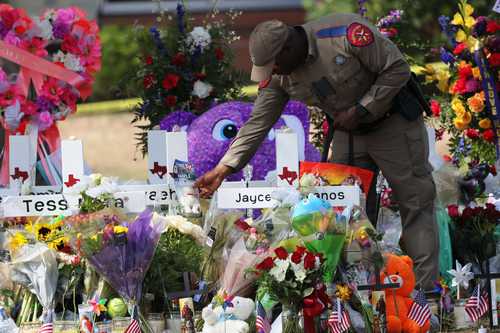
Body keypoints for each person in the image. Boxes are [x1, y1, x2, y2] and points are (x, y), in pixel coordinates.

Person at [194, 13, 439, 291]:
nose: (272, 72)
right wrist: (223, 168)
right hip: (348, 132)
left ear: (287, 48)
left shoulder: (343, 34)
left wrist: (361, 109)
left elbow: (397, 69)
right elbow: (258, 121)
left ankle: (424, 291)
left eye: (273, 65)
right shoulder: (279, 74)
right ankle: (357, 293)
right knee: (344, 213)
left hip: (392, 123)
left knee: (415, 200)